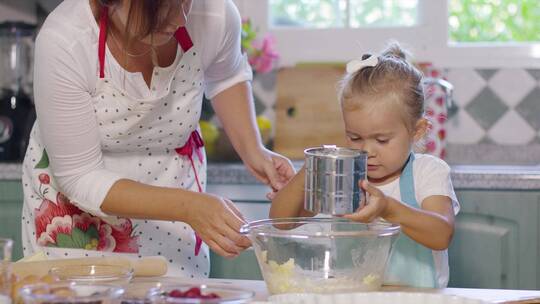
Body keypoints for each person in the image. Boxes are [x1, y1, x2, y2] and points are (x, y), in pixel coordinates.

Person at [21, 0, 295, 278]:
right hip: (78, 224)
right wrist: (189, 206)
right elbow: (80, 176)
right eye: (161, 7)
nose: (179, 18)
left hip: (174, 217)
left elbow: (226, 75)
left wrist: (254, 151)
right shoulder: (66, 39)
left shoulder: (212, 13)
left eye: (185, 1)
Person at [270, 42, 459, 288]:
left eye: (382, 140)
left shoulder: (428, 172)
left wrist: (387, 208)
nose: (366, 151)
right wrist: (311, 170)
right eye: (355, 137)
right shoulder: (344, 176)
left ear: (417, 130)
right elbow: (282, 222)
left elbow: (441, 234)